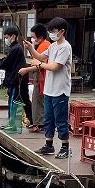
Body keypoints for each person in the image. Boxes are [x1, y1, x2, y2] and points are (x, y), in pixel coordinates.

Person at [24, 17, 72, 159]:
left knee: (60, 119)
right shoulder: (53, 46)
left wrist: (38, 64)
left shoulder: (65, 47)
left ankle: (65, 147)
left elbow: (55, 67)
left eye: (53, 31)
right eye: (50, 31)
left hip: (60, 90)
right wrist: (31, 48)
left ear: (62, 31)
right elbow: (40, 56)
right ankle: (49, 145)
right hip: (49, 89)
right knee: (48, 119)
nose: (51, 33)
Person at [0, 26, 27, 129]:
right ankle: (14, 124)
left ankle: (13, 125)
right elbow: (6, 60)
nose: (5, 39)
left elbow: (5, 63)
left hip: (15, 80)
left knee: (13, 102)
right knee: (15, 100)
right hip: (14, 79)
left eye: (6, 37)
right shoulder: (15, 48)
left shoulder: (16, 49)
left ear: (13, 36)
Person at [25, 24, 50, 132]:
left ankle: (40, 124)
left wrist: (26, 70)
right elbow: (35, 58)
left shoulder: (45, 45)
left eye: (34, 37)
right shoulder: (41, 45)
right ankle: (37, 123)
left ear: (40, 37)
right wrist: (30, 48)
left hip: (42, 78)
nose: (32, 39)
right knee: (36, 101)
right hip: (39, 77)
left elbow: (39, 63)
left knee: (39, 102)